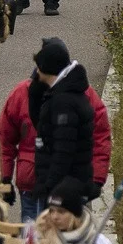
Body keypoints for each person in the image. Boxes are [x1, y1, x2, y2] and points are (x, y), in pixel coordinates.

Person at [0, 68, 111, 222]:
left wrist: (97, 179)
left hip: (72, 187)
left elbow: (100, 137)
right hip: (33, 186)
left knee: (68, 240)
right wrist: (4, 177)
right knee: (35, 241)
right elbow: (4, 139)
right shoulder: (21, 93)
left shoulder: (85, 95)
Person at [30, 37, 97, 204]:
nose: (36, 72)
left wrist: (49, 186)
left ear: (46, 68)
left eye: (39, 66)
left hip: (64, 191)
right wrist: (36, 92)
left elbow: (63, 150)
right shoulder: (58, 95)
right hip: (63, 184)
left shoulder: (63, 103)